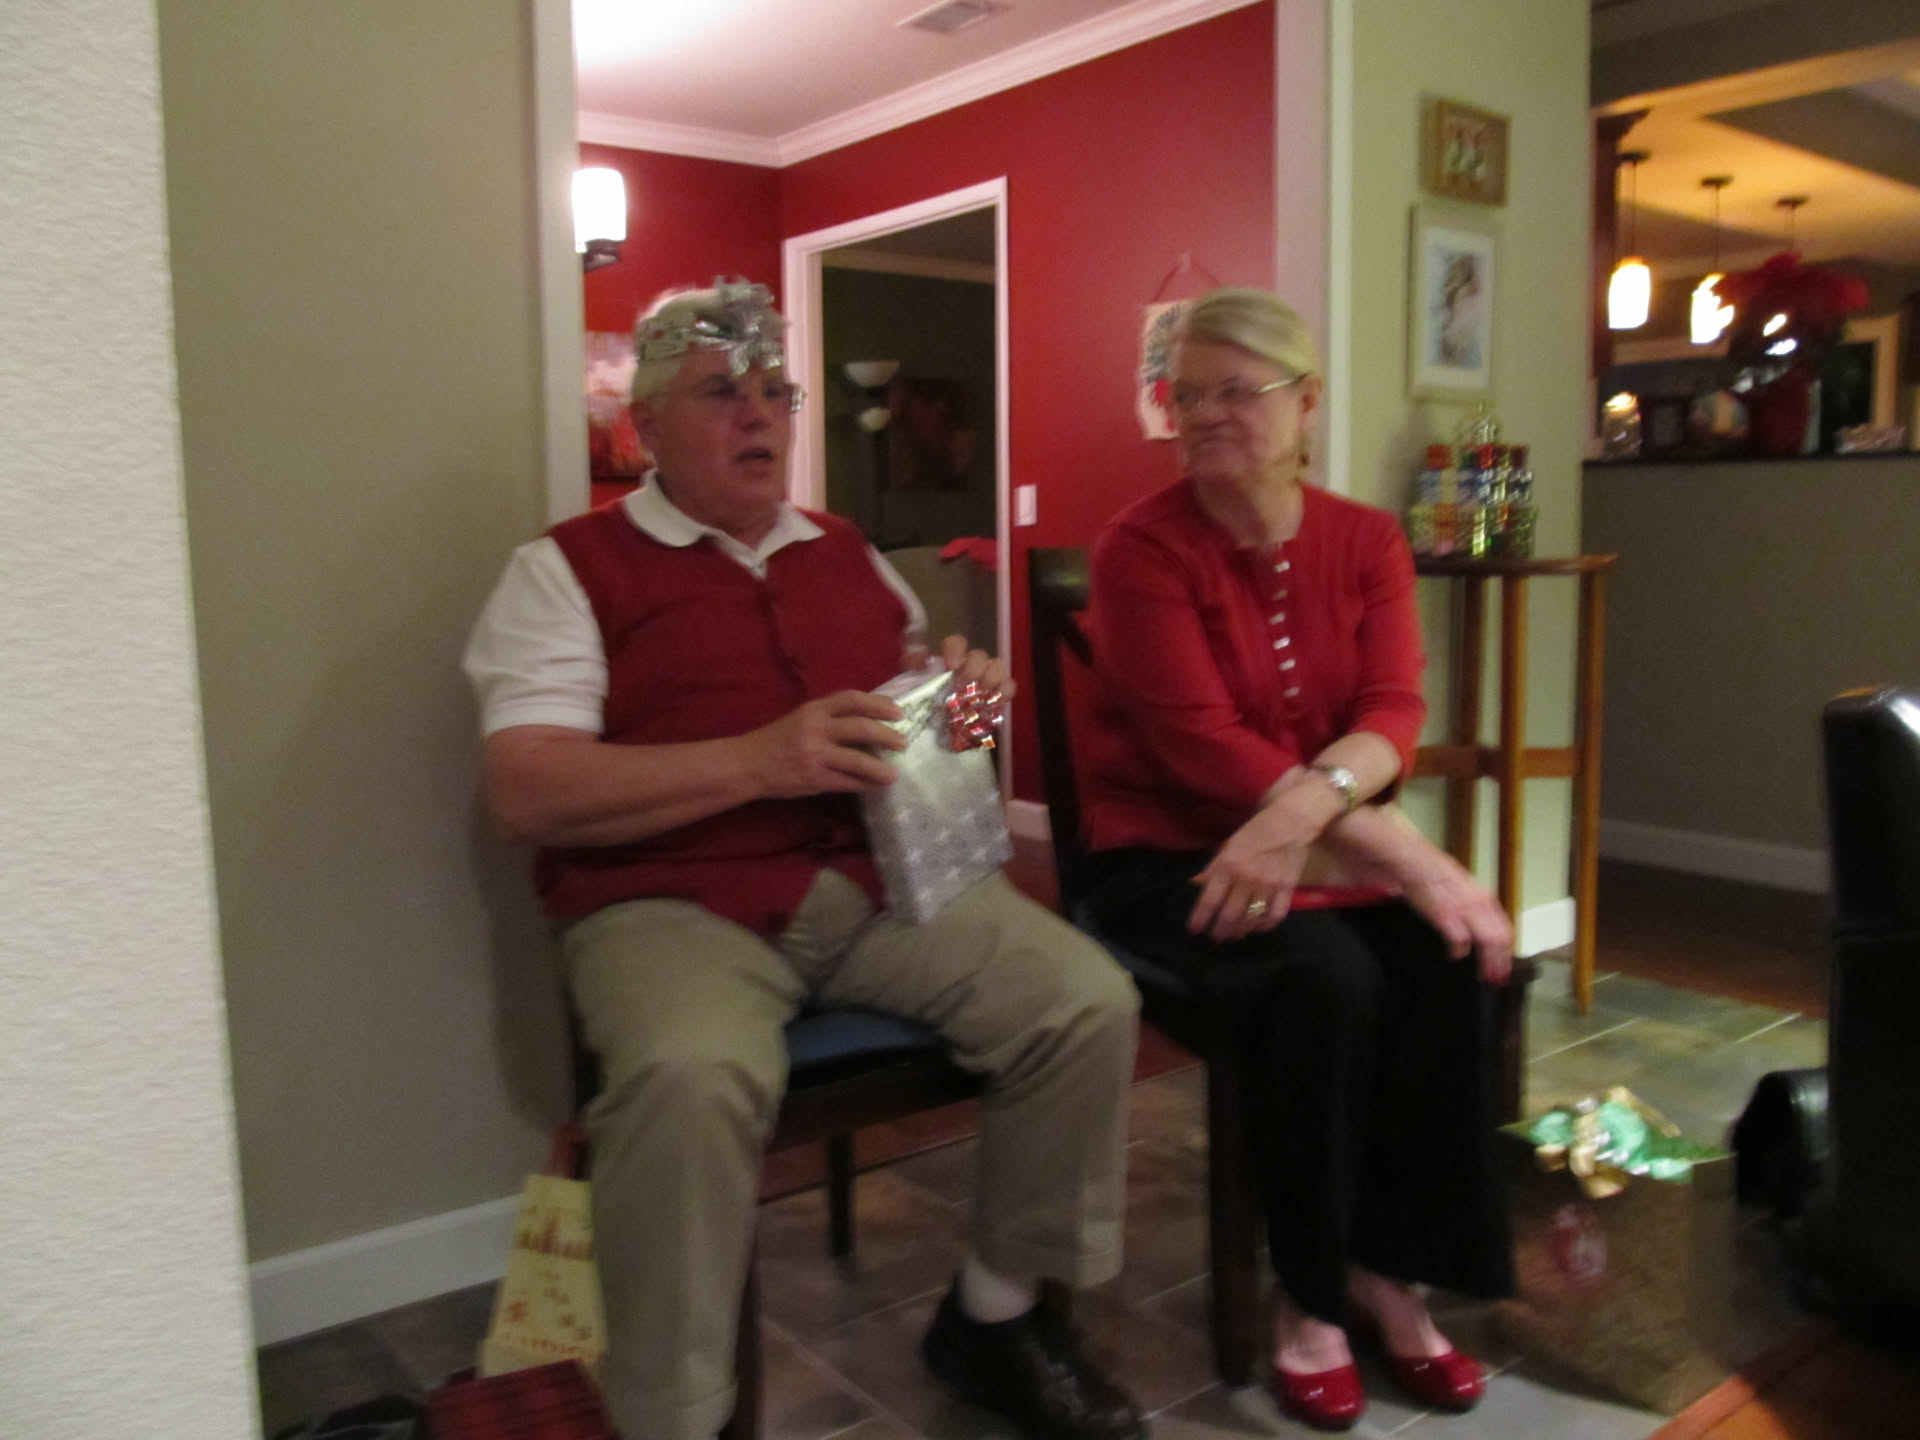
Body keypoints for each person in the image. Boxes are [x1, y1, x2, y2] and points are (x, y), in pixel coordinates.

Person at [463, 279, 1145, 1440]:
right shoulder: (565, 569)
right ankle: (670, 1417)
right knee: (688, 1080)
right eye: (719, 392)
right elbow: (524, 788)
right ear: (646, 427)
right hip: (668, 907)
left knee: (1086, 1000)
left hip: (877, 885)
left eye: (775, 392)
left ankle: (994, 1317)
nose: (759, 415)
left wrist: (970, 713)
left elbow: (924, 741)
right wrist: (755, 762)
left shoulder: (847, 552)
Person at [1079, 288, 1515, 1432]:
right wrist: (1408, 849)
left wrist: (1314, 818)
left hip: (1306, 841)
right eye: (1187, 393)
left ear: (1306, 402)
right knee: (1329, 983)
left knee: (1453, 958)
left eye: (1237, 390)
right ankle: (1311, 1295)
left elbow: (1393, 709)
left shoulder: (1366, 540)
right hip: (1164, 856)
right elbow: (1199, 743)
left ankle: (1390, 1270)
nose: (1204, 414)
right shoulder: (1140, 547)